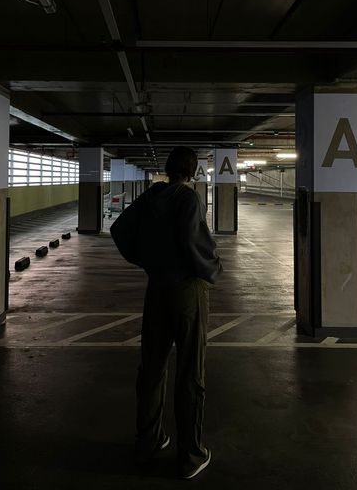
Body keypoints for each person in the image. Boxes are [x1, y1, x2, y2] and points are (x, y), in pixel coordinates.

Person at [110, 146, 222, 479]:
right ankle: (190, 454)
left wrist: (145, 260)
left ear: (169, 168)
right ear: (193, 172)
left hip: (156, 289)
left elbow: (120, 230)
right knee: (189, 370)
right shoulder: (188, 199)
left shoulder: (150, 196)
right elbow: (195, 242)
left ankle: (148, 441)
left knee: (152, 367)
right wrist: (213, 268)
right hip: (186, 291)